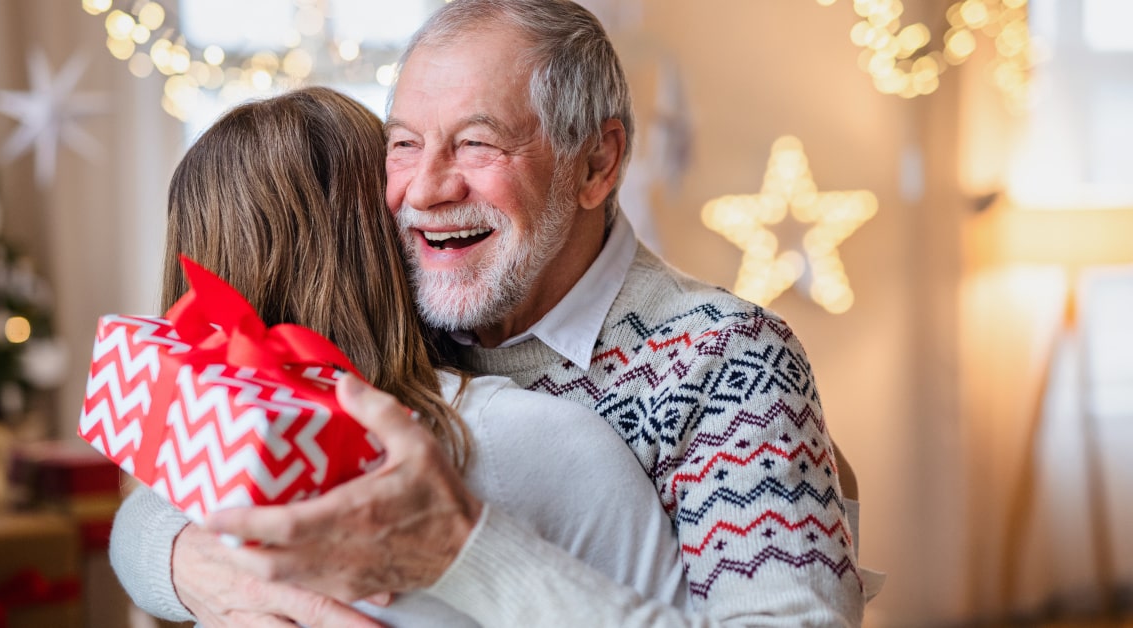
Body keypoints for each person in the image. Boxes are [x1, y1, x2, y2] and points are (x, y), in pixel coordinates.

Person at [194, 0, 873, 625]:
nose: (425, 191)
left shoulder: (727, 359)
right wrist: (192, 571)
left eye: (476, 143)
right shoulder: (388, 313)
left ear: (596, 164)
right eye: (403, 144)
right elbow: (167, 483)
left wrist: (463, 555)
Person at [108, 86, 689, 627]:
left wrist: (169, 558)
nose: (428, 195)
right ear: (382, 234)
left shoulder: (203, 453)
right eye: (404, 159)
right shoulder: (523, 436)